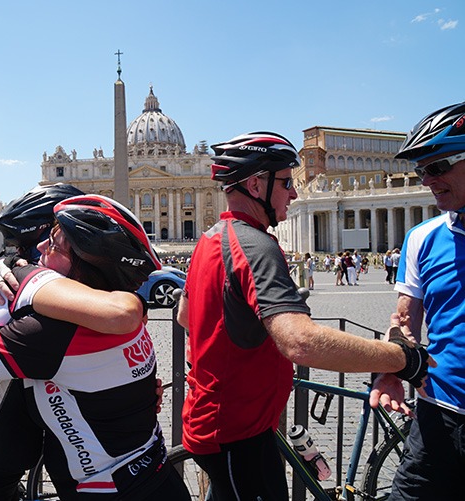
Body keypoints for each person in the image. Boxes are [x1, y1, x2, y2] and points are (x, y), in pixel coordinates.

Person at [176, 131, 431, 501]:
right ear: (255, 184)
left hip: (223, 422)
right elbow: (301, 341)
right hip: (236, 429)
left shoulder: (211, 238)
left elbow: (186, 315)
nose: (294, 194)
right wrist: (403, 357)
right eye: (286, 183)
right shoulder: (256, 245)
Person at [0, 195, 189, 500]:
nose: (40, 247)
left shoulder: (51, 332)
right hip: (158, 478)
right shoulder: (127, 310)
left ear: (85, 259)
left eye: (53, 243)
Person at [371, 101, 465, 499]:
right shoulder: (422, 238)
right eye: (421, 170)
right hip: (437, 415)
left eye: (438, 166)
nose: (427, 179)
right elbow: (404, 322)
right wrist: (392, 369)